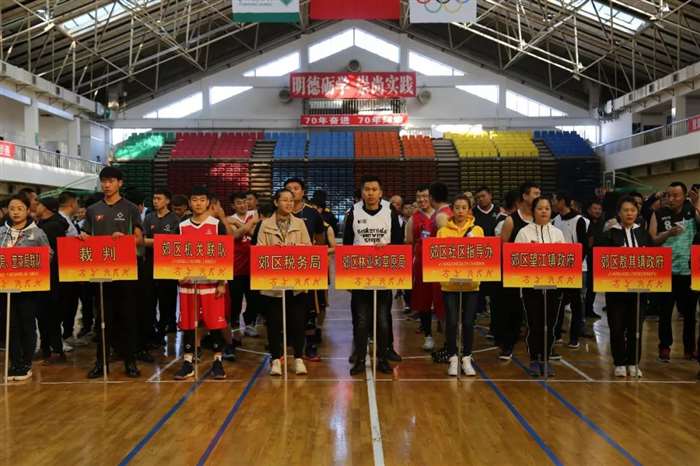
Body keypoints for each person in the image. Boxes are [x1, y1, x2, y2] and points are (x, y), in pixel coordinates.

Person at [82, 166, 144, 379]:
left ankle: (130, 361)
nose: (107, 185)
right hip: (101, 272)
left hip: (125, 272)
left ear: (120, 183)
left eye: (111, 181)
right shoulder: (93, 210)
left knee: (127, 318)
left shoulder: (131, 208)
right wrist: (83, 238)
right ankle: (101, 362)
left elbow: (139, 239)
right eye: (104, 181)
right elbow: (86, 235)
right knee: (102, 319)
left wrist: (126, 240)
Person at [343, 175, 404, 375]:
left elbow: (398, 243)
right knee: (361, 320)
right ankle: (360, 358)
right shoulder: (353, 212)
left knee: (383, 320)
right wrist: (347, 278)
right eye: (367, 189)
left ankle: (383, 358)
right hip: (360, 275)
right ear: (362, 192)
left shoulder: (390, 211)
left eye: (374, 189)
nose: (370, 193)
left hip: (383, 273)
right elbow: (347, 245)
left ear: (380, 192)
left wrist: (387, 247)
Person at [173, 186, 230, 380]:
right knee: (188, 324)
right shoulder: (181, 226)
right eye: (195, 200)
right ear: (190, 203)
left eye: (202, 200)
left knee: (215, 323)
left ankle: (217, 361)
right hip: (188, 284)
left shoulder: (217, 225)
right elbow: (175, 253)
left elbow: (224, 254)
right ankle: (187, 362)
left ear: (208, 203)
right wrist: (177, 274)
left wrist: (222, 282)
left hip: (211, 284)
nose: (198, 203)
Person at [256, 189, 312, 376]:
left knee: (297, 322)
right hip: (273, 283)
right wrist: (273, 249)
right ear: (276, 202)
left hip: (296, 283)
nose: (289, 204)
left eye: (291, 201)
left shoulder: (300, 224)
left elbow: (309, 248)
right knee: (274, 323)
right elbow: (259, 250)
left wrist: (294, 248)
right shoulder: (265, 225)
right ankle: (275, 359)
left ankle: (298, 358)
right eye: (285, 200)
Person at [596, 196, 652, 378]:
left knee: (636, 328)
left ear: (637, 213)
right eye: (626, 210)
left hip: (639, 290)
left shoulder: (643, 233)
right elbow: (600, 258)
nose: (629, 213)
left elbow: (652, 257)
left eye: (633, 210)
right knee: (617, 327)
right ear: (619, 213)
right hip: (616, 290)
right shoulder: (610, 234)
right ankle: (619, 362)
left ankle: (634, 362)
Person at [0, 194, 51, 381]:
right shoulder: (1, 232)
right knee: (10, 325)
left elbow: (49, 256)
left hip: (28, 288)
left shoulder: (37, 233)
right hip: (5, 288)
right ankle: (15, 362)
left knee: (26, 324)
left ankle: (26, 362)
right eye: (12, 209)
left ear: (28, 211)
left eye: (20, 209)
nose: (15, 212)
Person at [648, 181, 700, 362]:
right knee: (665, 313)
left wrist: (697, 204)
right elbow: (652, 239)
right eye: (668, 195)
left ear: (684, 196)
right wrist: (668, 234)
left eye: (675, 195)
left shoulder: (691, 211)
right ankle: (664, 347)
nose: (671, 199)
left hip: (689, 270)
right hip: (666, 271)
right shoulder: (658, 213)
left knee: (690, 314)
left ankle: (689, 349)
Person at [515, 196, 566, 377]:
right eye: (540, 208)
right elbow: (516, 259)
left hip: (553, 287)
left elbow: (565, 260)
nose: (544, 211)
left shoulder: (558, 234)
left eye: (547, 208)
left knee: (550, 324)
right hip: (531, 287)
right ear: (533, 211)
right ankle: (534, 358)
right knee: (535, 323)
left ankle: (546, 357)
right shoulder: (523, 233)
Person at [436, 195, 485, 376]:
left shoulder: (477, 230)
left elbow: (482, 255)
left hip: (471, 285)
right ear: (452, 210)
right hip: (449, 285)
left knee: (468, 322)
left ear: (469, 210)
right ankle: (452, 357)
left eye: (464, 207)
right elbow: (438, 256)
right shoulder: (442, 232)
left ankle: (467, 357)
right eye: (457, 207)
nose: (460, 211)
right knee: (451, 321)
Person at [284, 177, 325, 361]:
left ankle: (310, 346)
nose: (292, 191)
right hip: (284, 268)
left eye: (296, 188)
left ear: (303, 192)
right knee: (285, 306)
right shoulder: (277, 214)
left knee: (308, 308)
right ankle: (286, 343)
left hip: (306, 267)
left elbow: (320, 240)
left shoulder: (312, 213)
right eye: (288, 188)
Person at [498, 181, 540, 359]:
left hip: (537, 274)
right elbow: (502, 247)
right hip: (514, 274)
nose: (538, 197)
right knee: (512, 311)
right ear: (524, 196)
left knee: (537, 312)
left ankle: (542, 348)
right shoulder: (511, 220)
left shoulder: (541, 219)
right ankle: (507, 346)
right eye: (535, 193)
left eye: (539, 194)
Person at [141, 189, 181, 347]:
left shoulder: (175, 219)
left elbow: (173, 243)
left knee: (167, 302)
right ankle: (151, 331)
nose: (155, 201)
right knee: (149, 300)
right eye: (154, 198)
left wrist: (153, 241)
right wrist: (161, 241)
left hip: (168, 266)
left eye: (159, 198)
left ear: (167, 201)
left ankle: (163, 331)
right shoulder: (149, 217)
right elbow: (143, 240)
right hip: (150, 264)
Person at [552, 192, 590, 349]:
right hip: (558, 268)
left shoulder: (579, 220)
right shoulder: (555, 220)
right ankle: (557, 334)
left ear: (562, 201)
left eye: (554, 200)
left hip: (576, 268)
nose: (553, 203)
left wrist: (573, 265)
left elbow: (584, 246)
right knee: (558, 302)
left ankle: (574, 337)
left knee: (576, 304)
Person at [35, 196, 69, 362]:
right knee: (42, 313)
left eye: (38, 204)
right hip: (44, 276)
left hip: (52, 276)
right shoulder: (44, 224)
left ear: (46, 208)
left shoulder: (53, 226)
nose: (36, 207)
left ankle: (56, 350)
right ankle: (46, 348)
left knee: (51, 314)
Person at [405, 184, 439, 350]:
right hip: (421, 265)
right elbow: (409, 243)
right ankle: (428, 336)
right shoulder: (413, 219)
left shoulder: (441, 215)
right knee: (424, 301)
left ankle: (448, 335)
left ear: (431, 197)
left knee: (442, 300)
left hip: (439, 264)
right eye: (418, 197)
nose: (421, 200)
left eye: (425, 196)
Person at [227, 192, 259, 345]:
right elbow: (235, 236)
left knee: (254, 299)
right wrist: (250, 224)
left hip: (254, 267)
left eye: (245, 202)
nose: (243, 205)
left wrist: (240, 225)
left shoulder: (255, 215)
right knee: (236, 300)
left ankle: (250, 324)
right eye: (239, 203)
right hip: (236, 267)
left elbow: (256, 235)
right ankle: (234, 326)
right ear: (233, 205)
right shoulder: (229, 219)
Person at [56, 192, 82, 344]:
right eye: (77, 203)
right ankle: (60, 338)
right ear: (72, 203)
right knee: (64, 304)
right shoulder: (60, 221)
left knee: (71, 303)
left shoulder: (69, 221)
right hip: (64, 271)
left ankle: (67, 334)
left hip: (72, 271)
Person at [584, 200, 604, 317]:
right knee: (587, 285)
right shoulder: (585, 222)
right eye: (595, 208)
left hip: (599, 257)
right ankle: (584, 309)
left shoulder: (602, 223)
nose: (597, 211)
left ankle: (589, 308)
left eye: (599, 209)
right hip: (588, 257)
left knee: (594, 284)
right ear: (588, 210)